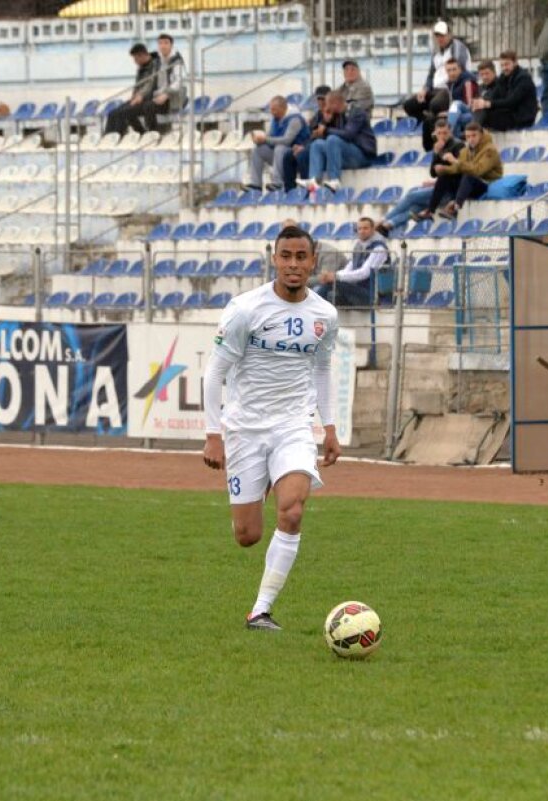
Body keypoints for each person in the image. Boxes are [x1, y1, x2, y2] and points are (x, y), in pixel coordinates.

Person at [202, 224, 340, 631]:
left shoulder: (325, 315)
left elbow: (322, 369)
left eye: (301, 257)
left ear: (314, 261)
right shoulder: (246, 309)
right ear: (274, 259)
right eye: (286, 256)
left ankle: (260, 610)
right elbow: (215, 374)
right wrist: (214, 434)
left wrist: (329, 428)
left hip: (293, 426)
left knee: (293, 511)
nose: (293, 265)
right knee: (247, 535)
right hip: (245, 428)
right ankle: (256, 484)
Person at [376, 118, 464, 237]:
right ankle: (388, 225)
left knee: (411, 196)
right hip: (441, 190)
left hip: (449, 192)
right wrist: (436, 153)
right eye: (439, 133)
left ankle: (383, 220)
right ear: (435, 133)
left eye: (445, 133)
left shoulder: (458, 145)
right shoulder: (439, 147)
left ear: (450, 131)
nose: (442, 136)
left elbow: (461, 170)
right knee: (416, 207)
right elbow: (433, 172)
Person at [401, 20, 472, 141]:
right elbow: (431, 74)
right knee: (409, 105)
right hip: (434, 89)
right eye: (437, 36)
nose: (440, 38)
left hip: (447, 89)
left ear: (450, 34)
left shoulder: (458, 49)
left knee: (435, 104)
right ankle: (428, 124)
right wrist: (425, 89)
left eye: (443, 35)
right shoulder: (436, 52)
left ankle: (435, 129)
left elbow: (460, 72)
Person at [423, 121, 502, 219]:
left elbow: (478, 171)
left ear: (481, 135)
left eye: (474, 136)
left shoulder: (490, 150)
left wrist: (454, 161)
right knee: (445, 175)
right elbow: (455, 169)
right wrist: (443, 169)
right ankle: (430, 211)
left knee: (469, 174)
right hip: (469, 185)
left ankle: (455, 208)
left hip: (486, 184)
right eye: (468, 137)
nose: (471, 139)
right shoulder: (468, 150)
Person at [302, 89, 376, 193]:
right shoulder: (337, 115)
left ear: (335, 104)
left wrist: (326, 130)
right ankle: (314, 181)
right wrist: (325, 121)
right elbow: (320, 132)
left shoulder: (356, 112)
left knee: (333, 139)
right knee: (317, 145)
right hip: (346, 153)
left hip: (362, 155)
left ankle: (334, 180)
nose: (326, 108)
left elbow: (348, 134)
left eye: (328, 105)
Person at [316, 217, 390, 307]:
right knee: (332, 296)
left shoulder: (379, 248)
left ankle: (310, 312)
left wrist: (336, 277)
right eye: (359, 229)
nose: (362, 231)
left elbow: (364, 273)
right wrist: (330, 275)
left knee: (331, 284)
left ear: (373, 229)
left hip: (371, 294)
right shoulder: (358, 246)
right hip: (357, 290)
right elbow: (348, 269)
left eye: (365, 228)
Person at [246, 96, 310, 192]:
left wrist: (266, 140)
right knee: (258, 150)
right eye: (271, 109)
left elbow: (287, 141)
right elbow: (270, 137)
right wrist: (260, 140)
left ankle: (278, 183)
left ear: (282, 108)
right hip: (279, 156)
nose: (272, 112)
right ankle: (256, 184)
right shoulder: (276, 118)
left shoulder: (295, 119)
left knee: (280, 147)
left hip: (296, 155)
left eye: (274, 109)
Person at [470, 51, 538, 133]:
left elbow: (512, 101)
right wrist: (480, 103)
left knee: (487, 113)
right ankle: (473, 132)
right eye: (502, 65)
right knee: (482, 109)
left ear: (515, 62)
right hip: (510, 113)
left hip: (522, 117)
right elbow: (494, 95)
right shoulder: (504, 76)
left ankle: (473, 132)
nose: (504, 68)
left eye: (507, 64)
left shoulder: (523, 78)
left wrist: (487, 104)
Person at [103, 44, 160, 136]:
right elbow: (137, 85)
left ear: (142, 55)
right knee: (112, 113)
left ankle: (119, 136)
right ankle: (108, 137)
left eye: (136, 59)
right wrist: (134, 96)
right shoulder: (141, 67)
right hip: (138, 98)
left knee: (123, 113)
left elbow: (151, 84)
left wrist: (140, 96)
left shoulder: (156, 64)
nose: (135, 62)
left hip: (149, 99)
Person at [138, 33, 186, 134]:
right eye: (160, 43)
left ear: (171, 45)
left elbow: (179, 82)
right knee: (135, 107)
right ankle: (144, 133)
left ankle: (154, 134)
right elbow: (151, 81)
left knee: (149, 107)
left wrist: (166, 94)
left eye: (166, 43)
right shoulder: (158, 61)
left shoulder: (177, 61)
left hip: (173, 97)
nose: (162, 46)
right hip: (158, 96)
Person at [286, 85, 330, 190]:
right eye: (318, 99)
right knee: (288, 155)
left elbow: (331, 135)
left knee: (303, 155)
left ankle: (308, 190)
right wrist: (301, 145)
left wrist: (305, 147)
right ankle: (290, 192)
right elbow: (310, 136)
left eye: (323, 98)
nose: (321, 101)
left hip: (325, 148)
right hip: (312, 146)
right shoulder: (318, 115)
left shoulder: (333, 113)